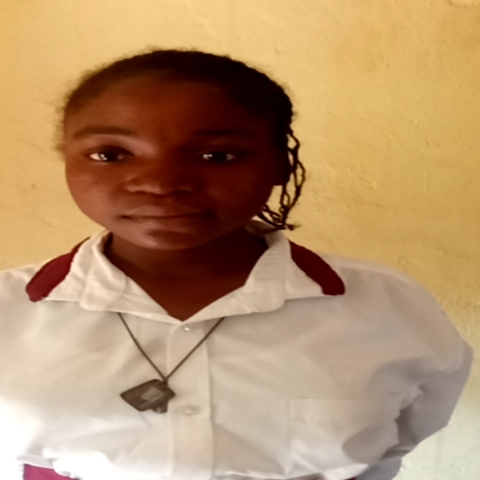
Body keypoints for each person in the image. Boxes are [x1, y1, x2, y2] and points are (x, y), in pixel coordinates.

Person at [0, 49, 472, 480]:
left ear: (281, 164)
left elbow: (407, 428)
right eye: (110, 154)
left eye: (217, 155)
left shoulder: (386, 307)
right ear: (67, 159)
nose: (161, 183)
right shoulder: (9, 309)